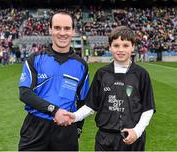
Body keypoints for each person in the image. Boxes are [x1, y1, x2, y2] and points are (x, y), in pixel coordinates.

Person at [67, 26, 156, 151]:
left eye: (125, 45)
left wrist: (137, 131)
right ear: (110, 47)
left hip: (132, 138)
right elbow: (91, 106)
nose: (120, 50)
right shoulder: (102, 74)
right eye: (116, 45)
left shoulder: (141, 74)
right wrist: (74, 116)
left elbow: (148, 108)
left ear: (133, 47)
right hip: (105, 139)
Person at [18, 10, 89, 151]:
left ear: (73, 31)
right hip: (35, 128)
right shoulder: (35, 59)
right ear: (50, 29)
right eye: (57, 28)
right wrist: (54, 110)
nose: (62, 33)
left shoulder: (81, 66)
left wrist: (78, 129)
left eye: (67, 28)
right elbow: (25, 93)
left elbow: (83, 101)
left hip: (66, 131)